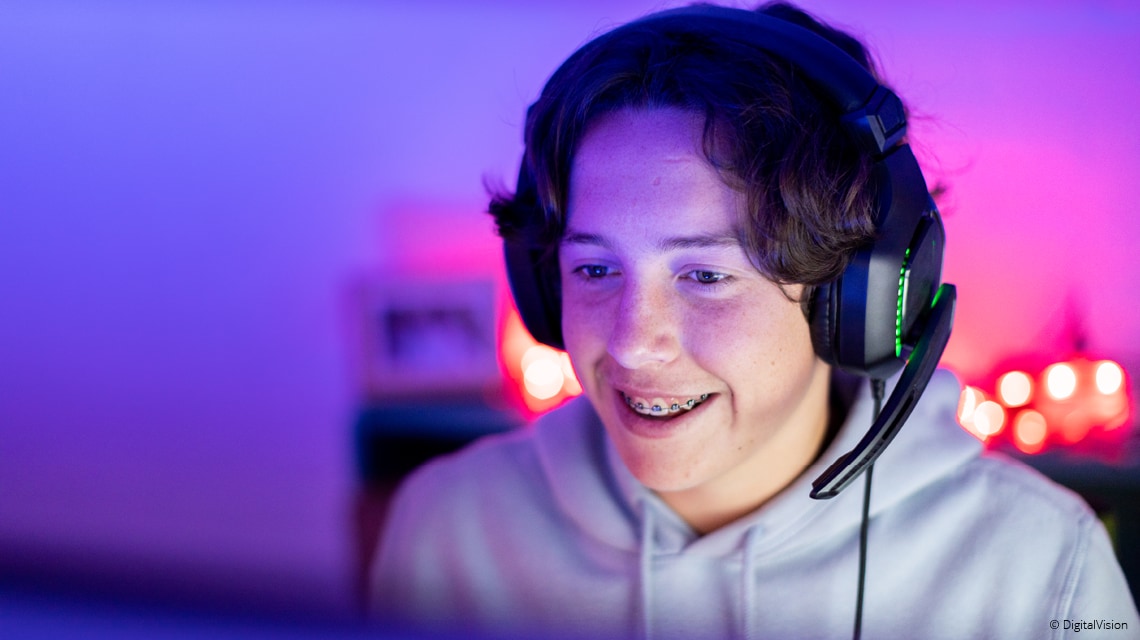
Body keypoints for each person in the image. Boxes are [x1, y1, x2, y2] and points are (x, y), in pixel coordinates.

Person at [371, 3, 1140, 639]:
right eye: (595, 269)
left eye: (706, 276)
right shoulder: (448, 527)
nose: (635, 341)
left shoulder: (1043, 570)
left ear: (854, 297)